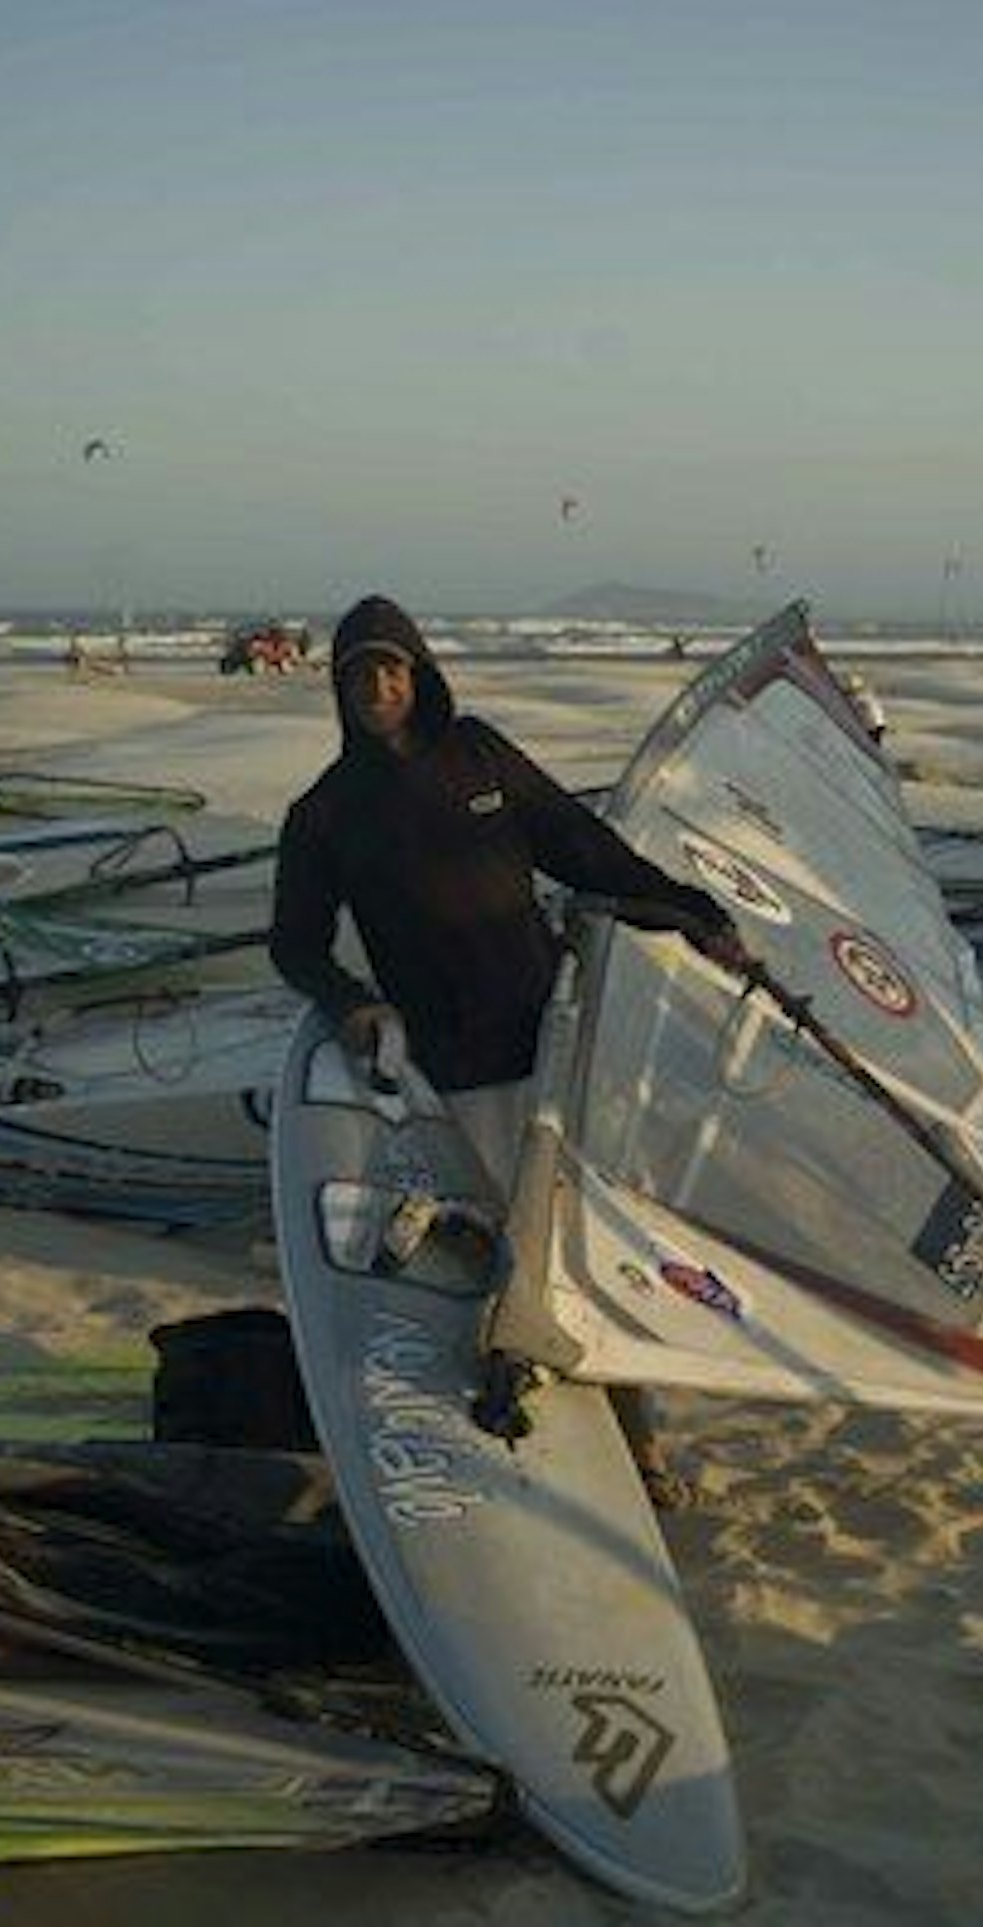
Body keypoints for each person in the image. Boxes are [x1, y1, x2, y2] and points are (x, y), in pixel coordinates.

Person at [270, 594, 752, 1505]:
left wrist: (698, 914)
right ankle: (554, 1426)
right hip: (457, 1062)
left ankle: (637, 1442)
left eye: (392, 667)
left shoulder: (480, 753)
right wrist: (350, 1004)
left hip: (554, 1037)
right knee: (519, 1252)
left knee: (586, 1244)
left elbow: (584, 849)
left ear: (419, 675)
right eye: (359, 673)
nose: (378, 684)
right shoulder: (325, 813)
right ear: (339, 690)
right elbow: (294, 943)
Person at [843, 671, 887, 745]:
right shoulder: (868, 694)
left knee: (872, 743)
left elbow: (855, 703)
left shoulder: (861, 697)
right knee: (875, 744)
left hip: (874, 724)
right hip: (879, 722)